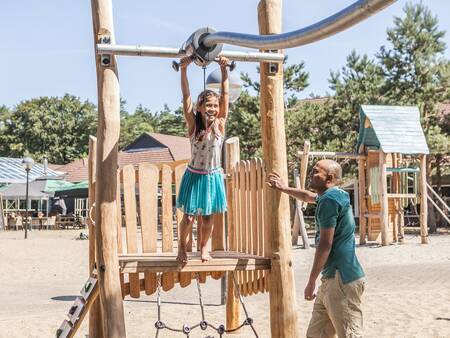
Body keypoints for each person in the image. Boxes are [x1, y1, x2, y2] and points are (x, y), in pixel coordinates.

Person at [267, 159, 366, 338]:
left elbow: (325, 245)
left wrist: (311, 281)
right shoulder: (336, 195)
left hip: (341, 279)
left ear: (329, 178)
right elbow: (308, 196)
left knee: (350, 335)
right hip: (331, 279)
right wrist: (283, 188)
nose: (312, 175)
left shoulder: (329, 200)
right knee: (317, 334)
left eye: (316, 172)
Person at [176, 55, 229, 263]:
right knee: (188, 217)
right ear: (199, 108)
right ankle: (182, 248)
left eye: (215, 106)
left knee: (207, 219)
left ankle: (204, 247)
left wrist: (224, 71)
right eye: (208, 105)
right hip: (194, 175)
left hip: (212, 176)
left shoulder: (220, 124)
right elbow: (186, 95)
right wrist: (184, 70)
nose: (213, 109)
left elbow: (225, 95)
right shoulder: (194, 125)